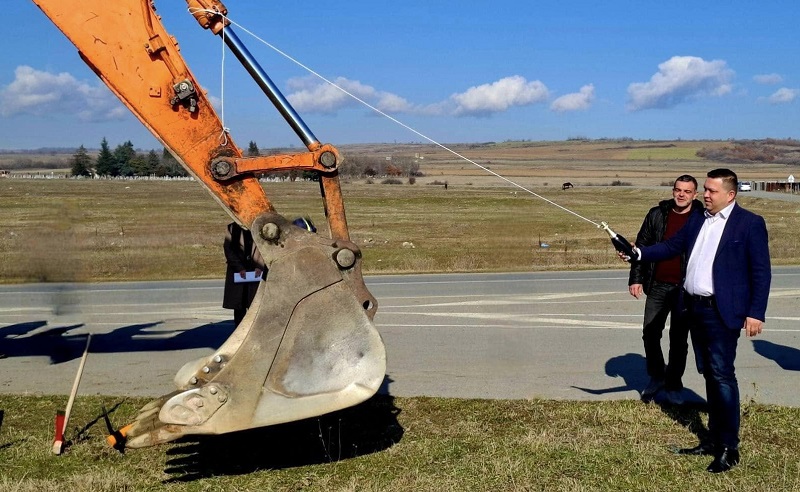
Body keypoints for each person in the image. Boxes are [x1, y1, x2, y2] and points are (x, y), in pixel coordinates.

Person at [627, 168, 771, 473]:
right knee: (707, 372)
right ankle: (711, 439)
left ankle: (728, 448)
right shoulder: (697, 219)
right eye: (704, 189)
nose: (704, 195)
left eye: (711, 191)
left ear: (730, 194)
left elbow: (761, 271)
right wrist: (638, 253)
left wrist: (756, 312)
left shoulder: (749, 224)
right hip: (692, 307)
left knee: (721, 375)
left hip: (722, 312)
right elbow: (671, 246)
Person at [628, 175, 704, 405]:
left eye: (687, 191)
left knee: (678, 339)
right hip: (658, 284)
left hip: (685, 289)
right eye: (677, 190)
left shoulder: (701, 218)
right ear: (673, 191)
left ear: (695, 195)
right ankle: (656, 376)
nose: (681, 195)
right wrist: (636, 278)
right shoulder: (657, 214)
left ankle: (673, 384)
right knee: (650, 333)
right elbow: (641, 247)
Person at [222, 222, 266, 327]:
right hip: (239, 273)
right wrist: (239, 268)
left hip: (256, 272)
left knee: (255, 305)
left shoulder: (261, 227)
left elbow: (266, 248)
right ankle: (239, 332)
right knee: (239, 306)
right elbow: (228, 249)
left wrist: (260, 266)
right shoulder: (232, 228)